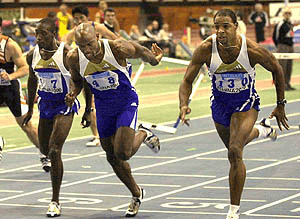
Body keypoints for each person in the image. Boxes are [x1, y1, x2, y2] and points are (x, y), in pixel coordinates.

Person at [178, 9, 289, 219]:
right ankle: (262, 130)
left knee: (235, 151)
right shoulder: (205, 49)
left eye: (225, 26)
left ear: (236, 27)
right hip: (220, 105)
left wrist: (280, 104)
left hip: (245, 104)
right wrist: (183, 104)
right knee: (233, 146)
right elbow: (186, 80)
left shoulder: (251, 50)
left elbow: (277, 68)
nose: (220, 31)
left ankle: (233, 210)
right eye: (216, 27)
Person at [65, 23, 162, 217]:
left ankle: (143, 133)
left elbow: (142, 52)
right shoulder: (74, 58)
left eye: (90, 44)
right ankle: (136, 193)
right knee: (111, 155)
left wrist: (155, 59)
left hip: (125, 103)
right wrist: (75, 95)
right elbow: (79, 80)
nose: (86, 50)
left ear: (98, 37)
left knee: (123, 153)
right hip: (103, 108)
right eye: (81, 45)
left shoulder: (117, 48)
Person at [22, 18, 84, 217]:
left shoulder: (66, 54)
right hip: (45, 105)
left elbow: (79, 80)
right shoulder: (32, 55)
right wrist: (30, 110)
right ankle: (54, 194)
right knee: (45, 149)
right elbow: (32, 81)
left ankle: (55, 201)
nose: (39, 37)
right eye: (37, 33)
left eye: (44, 34)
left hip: (64, 105)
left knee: (55, 150)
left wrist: (74, 94)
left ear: (54, 34)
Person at [62, 5, 118, 147]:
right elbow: (62, 42)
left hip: (105, 69)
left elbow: (116, 39)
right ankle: (96, 135)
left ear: (87, 18)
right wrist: (70, 51)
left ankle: (117, 127)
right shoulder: (74, 32)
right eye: (76, 19)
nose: (79, 21)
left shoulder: (97, 27)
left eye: (82, 18)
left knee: (109, 100)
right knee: (90, 102)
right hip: (86, 71)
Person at [0, 17, 50, 171]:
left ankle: (44, 153)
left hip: (9, 88)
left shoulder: (9, 45)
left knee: (25, 124)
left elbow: (24, 68)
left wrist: (10, 76)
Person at [272, 7, 295, 91]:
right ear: (283, 14)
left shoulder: (290, 23)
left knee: (289, 66)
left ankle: (287, 83)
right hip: (282, 46)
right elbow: (275, 36)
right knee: (282, 67)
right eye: (286, 13)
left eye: (289, 13)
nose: (287, 15)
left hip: (290, 46)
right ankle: (282, 84)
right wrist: (279, 46)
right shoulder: (280, 24)